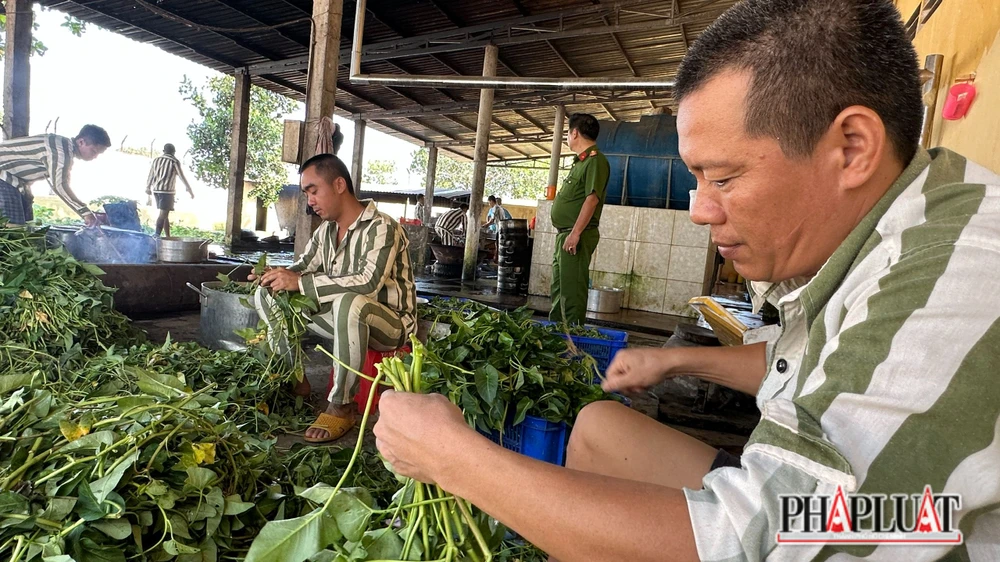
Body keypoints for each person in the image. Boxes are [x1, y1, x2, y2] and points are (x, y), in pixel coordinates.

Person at [371, 0, 1000, 560]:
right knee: (598, 429)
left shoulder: (956, 270)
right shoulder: (883, 233)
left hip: (897, 530)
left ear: (853, 147)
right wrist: (673, 364)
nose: (699, 208)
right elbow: (809, 367)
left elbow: (785, 534)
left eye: (722, 178)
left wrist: (455, 461)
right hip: (854, 513)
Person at [251, 153, 416, 443]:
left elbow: (367, 283)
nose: (309, 200)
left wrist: (300, 282)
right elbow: (303, 267)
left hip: (391, 326)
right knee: (267, 294)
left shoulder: (382, 226)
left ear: (339, 184)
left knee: (350, 302)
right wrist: (274, 275)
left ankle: (342, 405)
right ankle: (295, 379)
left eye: (313, 191)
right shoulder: (326, 231)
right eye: (306, 194)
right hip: (344, 318)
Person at [548, 113, 610, 324]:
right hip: (566, 235)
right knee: (560, 288)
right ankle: (556, 336)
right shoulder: (580, 163)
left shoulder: (595, 161)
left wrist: (575, 234)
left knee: (572, 291)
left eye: (567, 132)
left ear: (574, 133)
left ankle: (572, 342)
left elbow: (592, 200)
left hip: (577, 236)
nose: (567, 136)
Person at [0, 124, 110, 225]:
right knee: (14, 229)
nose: (95, 156)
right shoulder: (60, 150)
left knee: (28, 223)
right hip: (4, 176)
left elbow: (64, 183)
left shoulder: (64, 149)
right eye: (94, 151)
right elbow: (60, 185)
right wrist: (86, 213)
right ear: (81, 142)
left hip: (15, 181)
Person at [145, 143, 194, 237]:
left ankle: (168, 236)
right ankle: (156, 235)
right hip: (167, 192)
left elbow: (151, 174)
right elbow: (181, 175)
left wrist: (148, 187)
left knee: (165, 214)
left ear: (164, 151)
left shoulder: (156, 160)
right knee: (163, 214)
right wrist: (188, 188)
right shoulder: (174, 161)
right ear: (173, 152)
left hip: (156, 191)